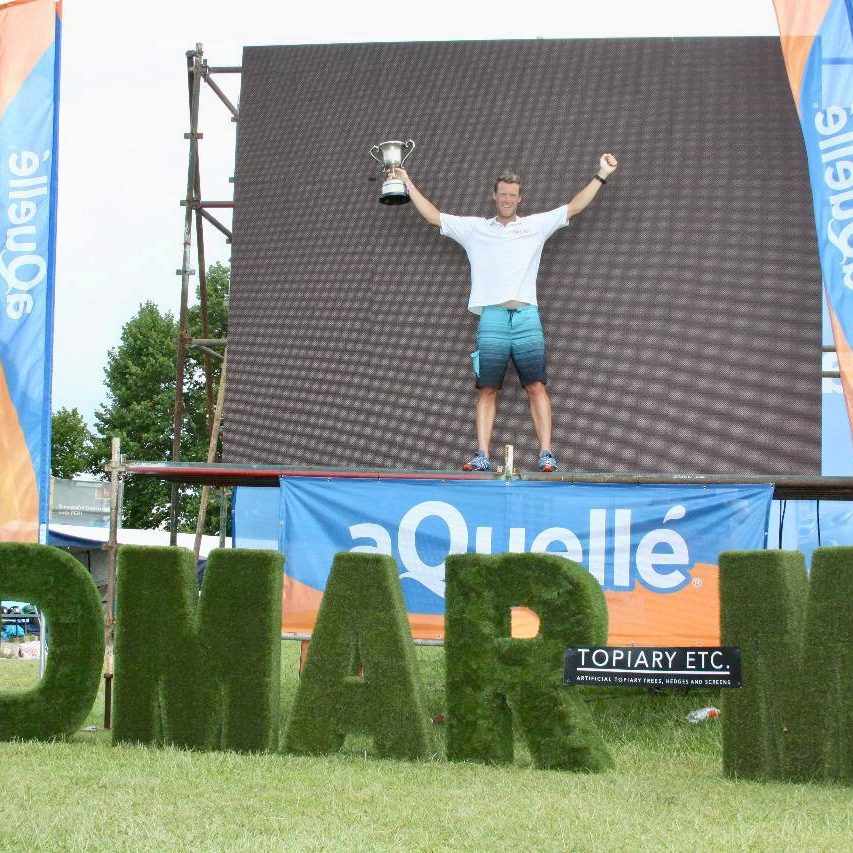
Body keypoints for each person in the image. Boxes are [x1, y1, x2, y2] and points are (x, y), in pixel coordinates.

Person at [392, 154, 618, 471]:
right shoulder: (475, 229)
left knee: (536, 386)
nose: (507, 199)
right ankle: (483, 455)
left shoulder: (535, 226)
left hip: (526, 316)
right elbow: (434, 217)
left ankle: (546, 454)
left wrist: (601, 174)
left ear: (519, 197)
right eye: (503, 194)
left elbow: (574, 207)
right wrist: (406, 182)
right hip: (493, 318)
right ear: (494, 196)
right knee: (487, 389)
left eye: (513, 195)